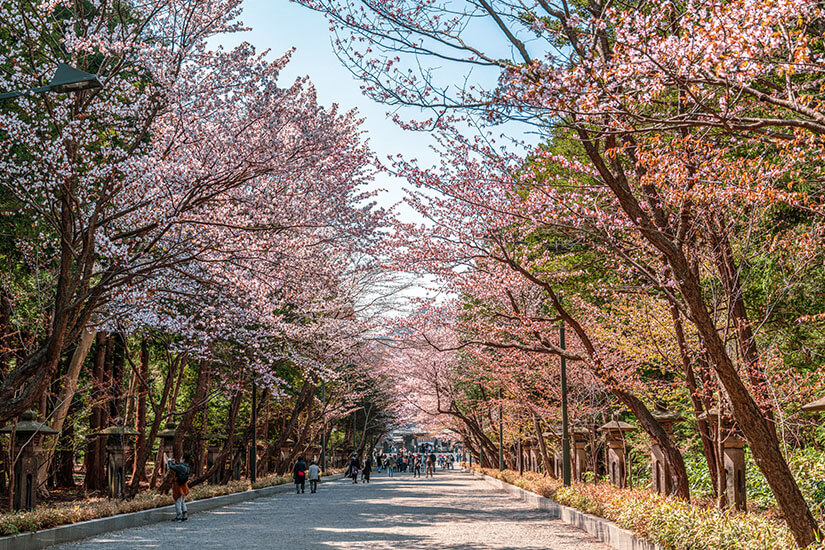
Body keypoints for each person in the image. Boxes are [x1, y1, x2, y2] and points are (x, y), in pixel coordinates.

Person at [168, 455, 191, 521]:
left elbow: (171, 467)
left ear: (184, 459)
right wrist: (174, 464)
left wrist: (169, 461)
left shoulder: (181, 466)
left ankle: (178, 516)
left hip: (178, 485)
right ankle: (185, 515)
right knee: (182, 501)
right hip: (184, 485)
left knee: (178, 501)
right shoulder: (187, 466)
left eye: (181, 458)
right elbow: (177, 467)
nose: (180, 460)